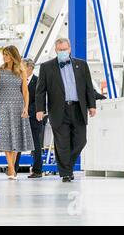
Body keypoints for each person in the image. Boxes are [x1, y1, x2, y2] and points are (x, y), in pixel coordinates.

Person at [36, 38, 96, 182]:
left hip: (78, 108)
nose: (63, 52)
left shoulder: (81, 65)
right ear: (56, 50)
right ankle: (66, 173)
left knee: (81, 141)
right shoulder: (46, 67)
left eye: (65, 49)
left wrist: (92, 105)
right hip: (58, 110)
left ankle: (67, 167)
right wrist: (40, 109)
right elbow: (40, 91)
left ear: (69, 49)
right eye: (60, 50)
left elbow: (88, 87)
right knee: (62, 144)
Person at [0, 45, 34, 180]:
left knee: (16, 136)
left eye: (7, 54)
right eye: (3, 54)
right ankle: (11, 167)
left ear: (13, 56)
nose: (4, 57)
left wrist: (26, 108)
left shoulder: (22, 71)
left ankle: (11, 168)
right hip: (3, 104)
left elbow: (26, 92)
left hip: (18, 104)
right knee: (5, 135)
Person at [14, 58, 44, 178]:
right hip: (19, 117)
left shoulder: (38, 81)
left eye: (22, 67)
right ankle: (13, 169)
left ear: (30, 68)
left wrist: (27, 112)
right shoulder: (18, 81)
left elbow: (39, 100)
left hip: (33, 118)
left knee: (35, 145)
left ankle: (37, 170)